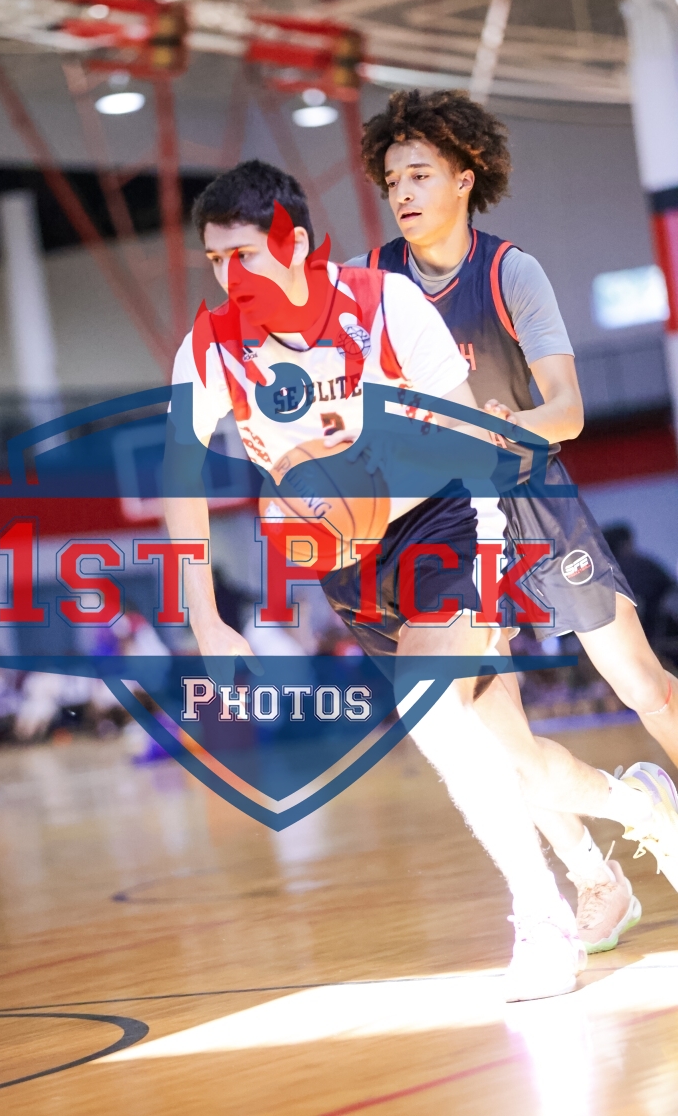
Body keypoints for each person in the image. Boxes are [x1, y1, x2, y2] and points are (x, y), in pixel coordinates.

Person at [166, 160, 675, 999]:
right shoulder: (210, 347)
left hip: (446, 522)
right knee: (508, 756)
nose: (228, 276)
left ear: (293, 244)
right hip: (348, 568)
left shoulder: (382, 304)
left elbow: (469, 439)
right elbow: (180, 475)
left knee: (432, 712)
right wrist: (204, 616)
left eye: (243, 255)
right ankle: (628, 819)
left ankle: (541, 920)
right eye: (215, 260)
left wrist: (423, 513)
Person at [350, 88, 678, 952]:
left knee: (643, 687)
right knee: (497, 735)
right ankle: (595, 879)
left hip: (533, 495)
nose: (403, 192)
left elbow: (567, 411)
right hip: (446, 520)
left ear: (466, 177)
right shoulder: (368, 285)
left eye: (420, 174)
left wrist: (493, 427)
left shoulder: (508, 272)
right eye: (392, 180)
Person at [603, 523, 675, 645]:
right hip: (657, 635)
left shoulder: (606, 572)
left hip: (628, 637)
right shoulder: (642, 565)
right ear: (626, 543)